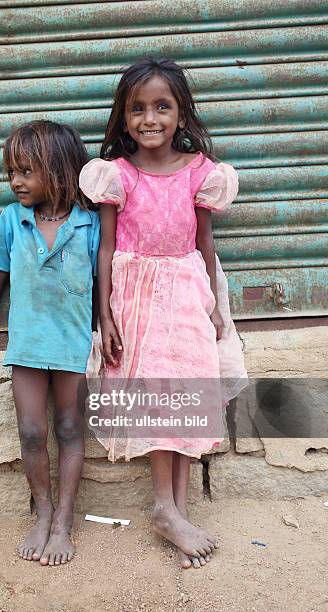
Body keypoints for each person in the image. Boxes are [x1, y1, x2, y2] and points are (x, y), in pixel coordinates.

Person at [79, 58, 247, 569]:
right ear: (123, 116)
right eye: (137, 108)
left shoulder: (202, 173)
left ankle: (177, 508)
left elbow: (204, 242)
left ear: (180, 114)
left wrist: (217, 305)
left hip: (186, 290)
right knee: (157, 395)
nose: (149, 118)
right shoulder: (117, 176)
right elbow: (105, 249)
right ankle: (164, 508)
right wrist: (105, 314)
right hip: (135, 297)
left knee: (188, 390)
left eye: (162, 107)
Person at [0, 120, 100, 566]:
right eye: (11, 171)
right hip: (29, 344)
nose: (15, 181)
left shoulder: (89, 223)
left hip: (72, 345)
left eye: (26, 171)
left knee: (70, 429)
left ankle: (64, 522)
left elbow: (104, 278)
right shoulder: (13, 219)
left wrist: (108, 326)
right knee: (32, 432)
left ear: (59, 169)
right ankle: (43, 511)